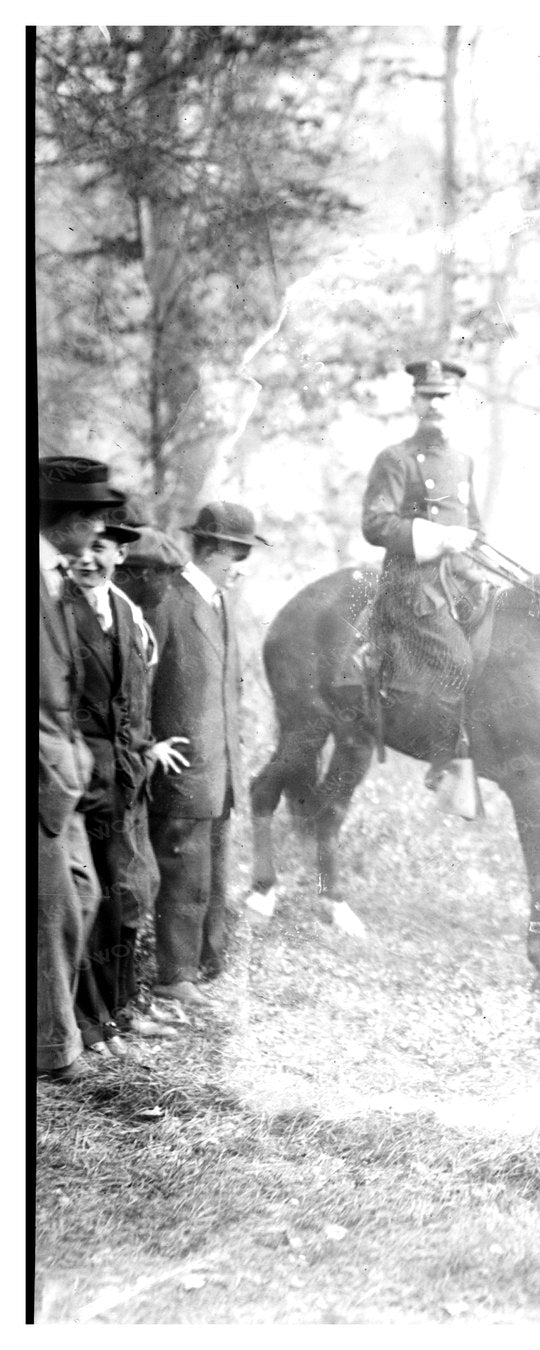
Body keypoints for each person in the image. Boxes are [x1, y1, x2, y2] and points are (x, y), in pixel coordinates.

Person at [65, 512, 182, 1053]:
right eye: (83, 547)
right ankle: (93, 1024)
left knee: (132, 892)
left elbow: (134, 697)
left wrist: (148, 748)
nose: (89, 557)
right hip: (84, 783)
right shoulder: (57, 611)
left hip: (129, 779)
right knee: (94, 903)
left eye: (102, 548)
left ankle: (122, 1008)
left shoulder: (126, 612)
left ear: (119, 556)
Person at [145, 502, 265, 1010]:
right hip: (182, 769)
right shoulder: (166, 603)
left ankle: (207, 962)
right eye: (238, 553)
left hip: (220, 770)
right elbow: (139, 686)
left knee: (214, 867)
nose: (241, 564)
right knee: (184, 870)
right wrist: (145, 745)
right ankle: (175, 974)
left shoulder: (221, 603)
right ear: (214, 550)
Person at [361, 358, 485, 815]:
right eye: (427, 396)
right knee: (457, 659)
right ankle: (444, 763)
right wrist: (437, 539)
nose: (435, 404)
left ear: (457, 402)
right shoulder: (395, 460)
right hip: (410, 585)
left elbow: (475, 526)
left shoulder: (464, 460)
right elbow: (375, 523)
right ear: (414, 401)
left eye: (444, 396)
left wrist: (473, 552)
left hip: (457, 580)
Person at [38, 456, 124, 1082]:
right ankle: (52, 1049)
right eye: (91, 516)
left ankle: (53, 1034)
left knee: (82, 897)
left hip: (60, 769)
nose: (98, 529)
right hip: (38, 774)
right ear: (62, 520)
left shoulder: (53, 576)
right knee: (49, 910)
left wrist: (76, 752)